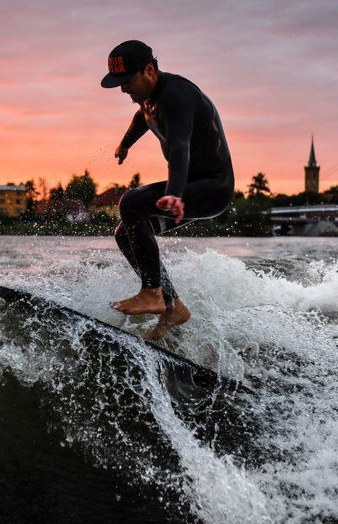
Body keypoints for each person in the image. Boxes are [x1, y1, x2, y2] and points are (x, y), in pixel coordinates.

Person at [101, 40, 234, 340]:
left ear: (149, 70)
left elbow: (180, 148)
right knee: (126, 234)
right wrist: (125, 143)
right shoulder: (149, 97)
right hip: (190, 186)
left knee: (131, 203)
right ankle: (173, 307)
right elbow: (142, 118)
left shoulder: (177, 95)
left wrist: (174, 190)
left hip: (212, 187)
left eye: (127, 81)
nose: (123, 90)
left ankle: (152, 293)